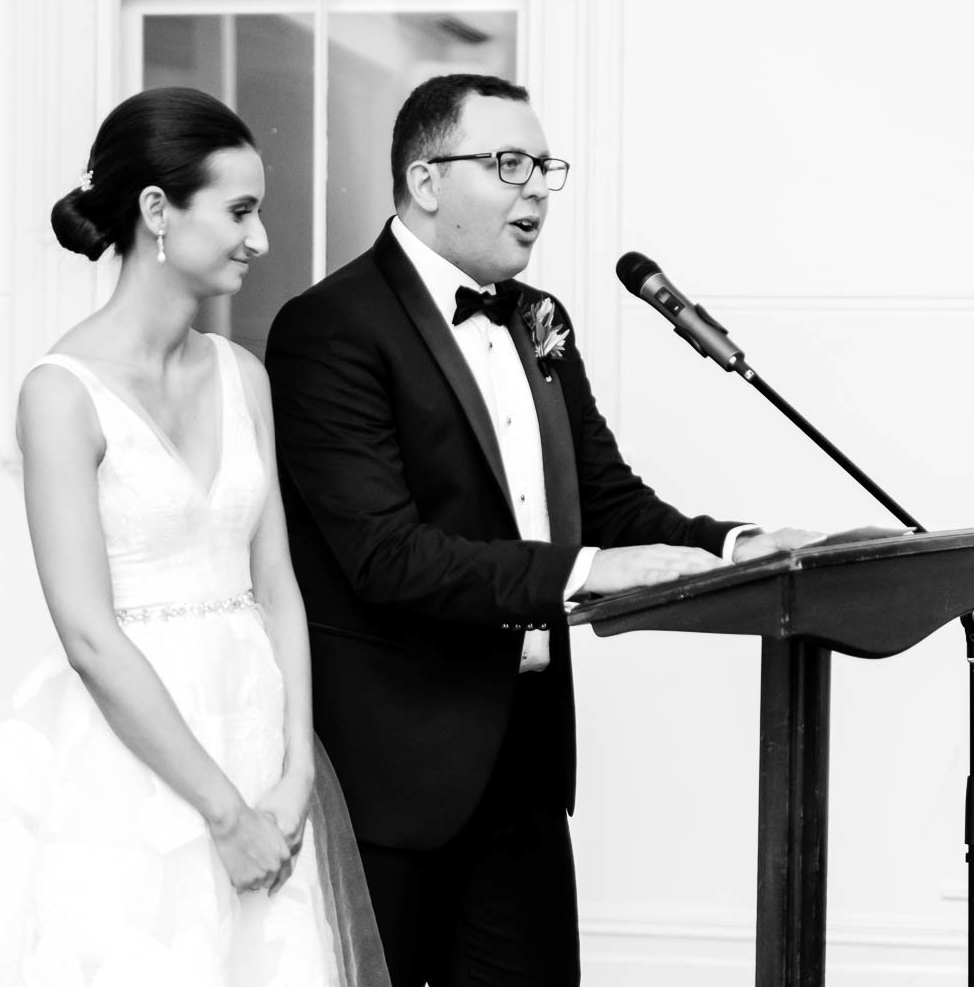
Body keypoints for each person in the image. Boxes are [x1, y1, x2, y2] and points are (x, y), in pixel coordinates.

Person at [264, 73, 819, 986]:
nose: (535, 192)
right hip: (393, 769)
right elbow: (385, 557)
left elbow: (607, 501)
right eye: (508, 165)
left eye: (543, 168)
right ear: (424, 180)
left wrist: (732, 544)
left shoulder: (538, 319)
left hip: (524, 754)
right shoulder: (328, 327)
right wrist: (586, 572)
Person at [0, 86, 387, 986]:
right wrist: (224, 815)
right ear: (156, 211)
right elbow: (87, 634)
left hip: (256, 730)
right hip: (134, 755)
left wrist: (295, 769)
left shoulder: (243, 375)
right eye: (241, 211)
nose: (260, 240)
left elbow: (278, 583)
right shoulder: (60, 394)